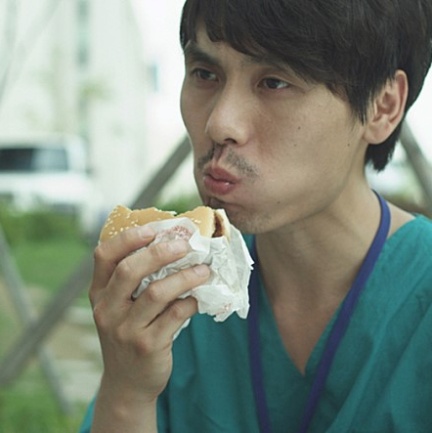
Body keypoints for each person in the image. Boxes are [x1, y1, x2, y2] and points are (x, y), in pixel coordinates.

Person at [79, 0, 432, 432]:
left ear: (383, 106)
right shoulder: (172, 293)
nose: (219, 124)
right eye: (205, 74)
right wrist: (126, 391)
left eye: (274, 82)